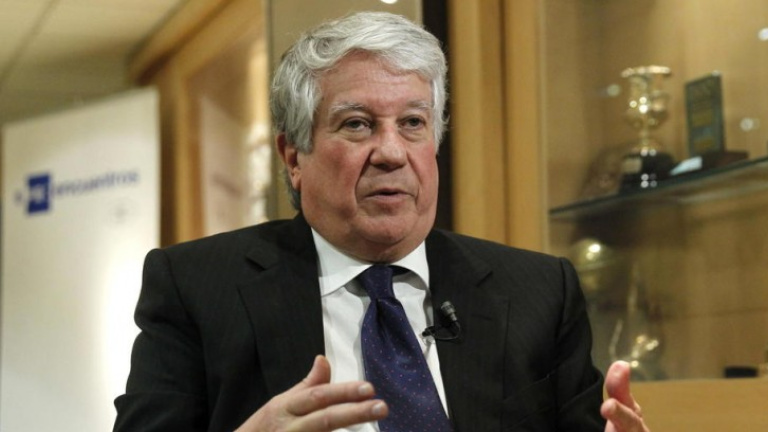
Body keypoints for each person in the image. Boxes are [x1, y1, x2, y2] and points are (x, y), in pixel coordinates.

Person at [114, 11, 650, 432]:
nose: (392, 152)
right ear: (294, 157)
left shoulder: (539, 292)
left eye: (413, 122)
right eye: (357, 124)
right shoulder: (196, 289)